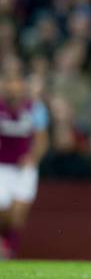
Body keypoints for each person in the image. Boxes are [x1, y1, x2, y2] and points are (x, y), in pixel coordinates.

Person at [0, 58, 49, 259]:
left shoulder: (35, 109)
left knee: (19, 214)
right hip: (2, 166)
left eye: (16, 83)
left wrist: (32, 156)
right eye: (8, 83)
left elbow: (42, 139)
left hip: (24, 168)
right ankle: (5, 245)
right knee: (4, 210)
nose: (13, 88)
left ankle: (9, 251)